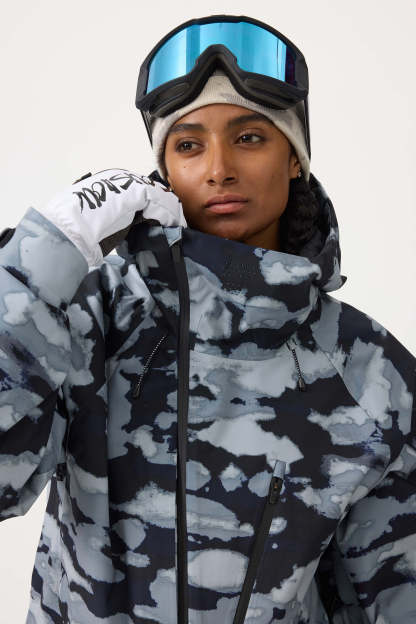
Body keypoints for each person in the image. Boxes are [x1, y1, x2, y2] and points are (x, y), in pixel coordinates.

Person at [0, 14, 415, 624]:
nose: (219, 168)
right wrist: (40, 259)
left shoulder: (370, 372)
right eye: (189, 145)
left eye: (249, 137)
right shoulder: (87, 318)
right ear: (164, 170)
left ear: (295, 159)